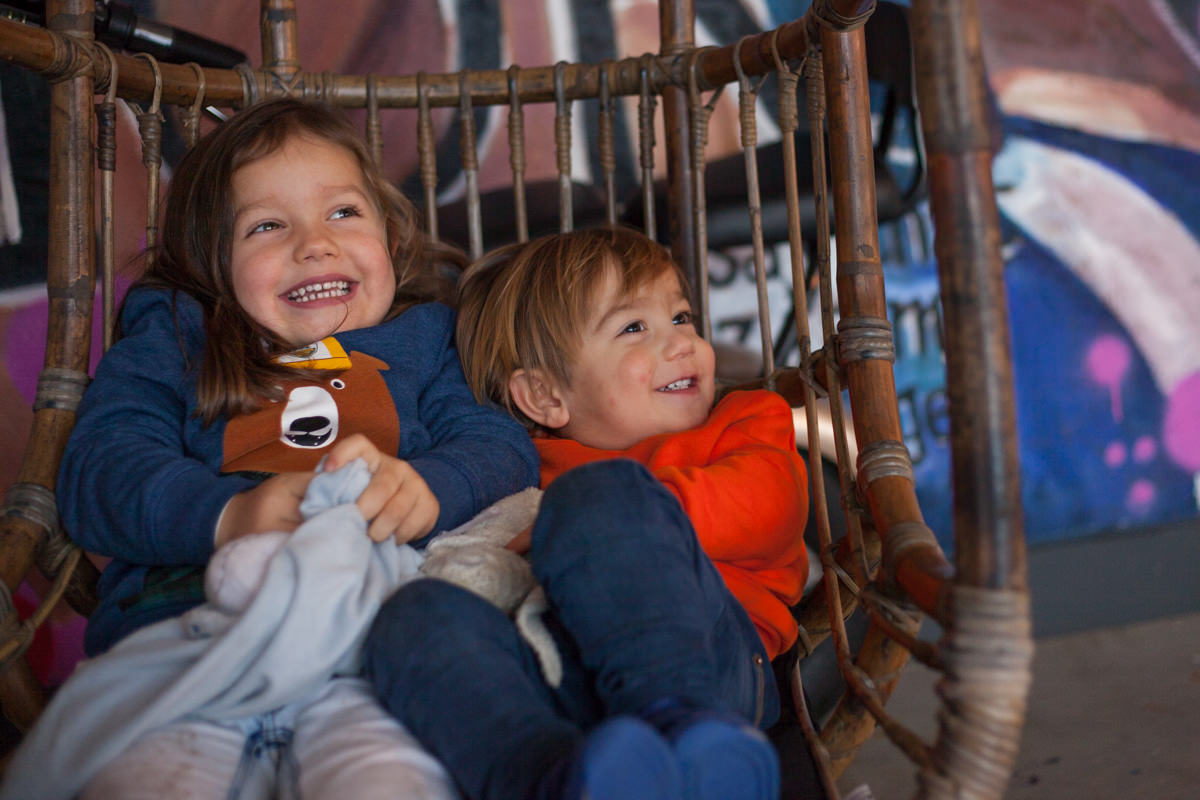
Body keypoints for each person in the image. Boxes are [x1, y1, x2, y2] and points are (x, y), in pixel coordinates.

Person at [49, 98, 539, 799]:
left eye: (344, 213)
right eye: (268, 226)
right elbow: (99, 471)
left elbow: (500, 445)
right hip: (195, 647)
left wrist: (427, 487)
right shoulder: (177, 342)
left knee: (392, 782)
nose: (315, 243)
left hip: (372, 652)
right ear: (213, 265)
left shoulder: (429, 339)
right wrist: (230, 517)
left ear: (393, 243)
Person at [365, 226, 811, 800]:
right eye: (634, 329)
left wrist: (571, 524)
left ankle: (682, 738)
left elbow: (769, 507)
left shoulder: (746, 421)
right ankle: (551, 777)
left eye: (680, 317)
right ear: (547, 398)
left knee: (601, 496)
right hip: (562, 683)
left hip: (707, 663)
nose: (680, 342)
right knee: (411, 617)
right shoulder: (524, 462)